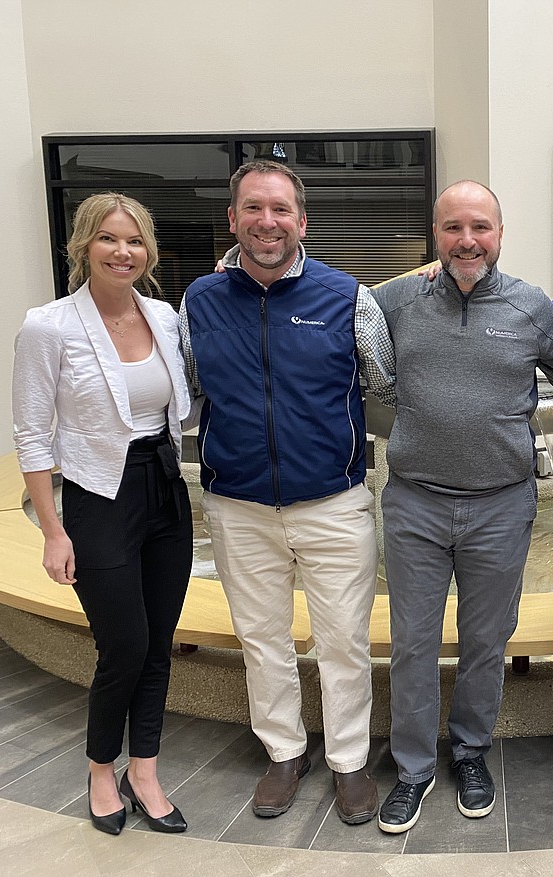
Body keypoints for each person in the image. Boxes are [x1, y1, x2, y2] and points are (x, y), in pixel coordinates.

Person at [179, 160, 396, 826]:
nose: (266, 222)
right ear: (234, 219)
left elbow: (384, 382)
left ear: (302, 221)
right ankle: (283, 751)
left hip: (333, 504)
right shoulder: (200, 301)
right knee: (262, 636)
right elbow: (186, 392)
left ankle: (350, 760)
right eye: (253, 208)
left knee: (342, 640)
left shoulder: (348, 297)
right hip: (238, 504)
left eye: (280, 209)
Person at [370, 180, 553, 833]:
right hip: (416, 505)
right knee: (413, 643)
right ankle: (412, 769)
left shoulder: (532, 308)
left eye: (479, 226)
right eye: (453, 227)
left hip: (501, 506)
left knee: (486, 642)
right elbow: (335, 325)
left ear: (500, 233)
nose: (467, 240)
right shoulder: (398, 300)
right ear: (435, 235)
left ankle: (471, 751)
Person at [13, 193, 192, 836]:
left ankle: (144, 770)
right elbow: (32, 436)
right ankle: (100, 769)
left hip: (165, 490)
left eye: (136, 241)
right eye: (109, 240)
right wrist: (53, 531)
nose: (124, 252)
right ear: (83, 245)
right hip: (96, 497)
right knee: (124, 644)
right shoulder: (49, 326)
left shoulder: (166, 317)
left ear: (148, 252)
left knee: (159, 644)